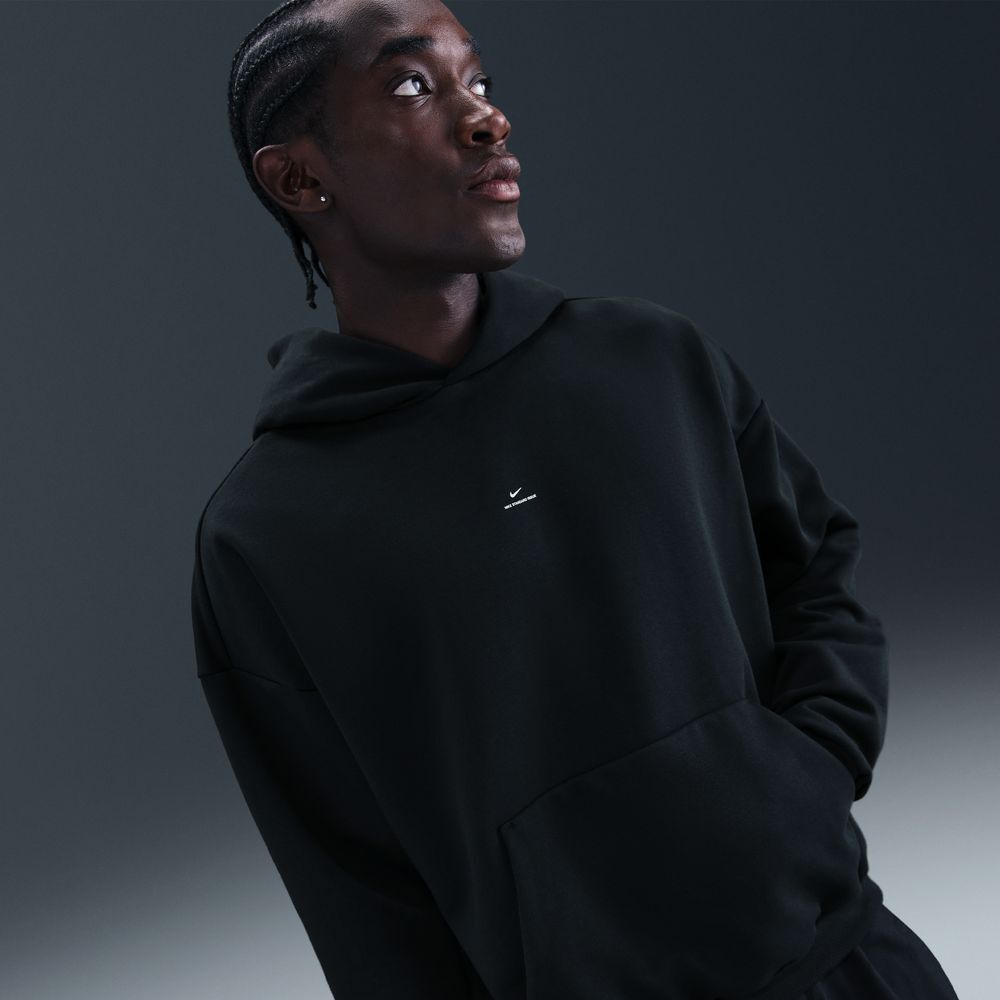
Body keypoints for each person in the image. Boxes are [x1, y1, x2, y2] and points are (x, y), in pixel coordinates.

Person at [190, 0, 962, 997]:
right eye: (414, 86)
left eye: (480, 80)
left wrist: (799, 781)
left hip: (849, 964)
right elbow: (351, 882)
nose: (485, 117)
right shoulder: (268, 534)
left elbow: (816, 570)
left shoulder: (651, 360)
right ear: (299, 178)